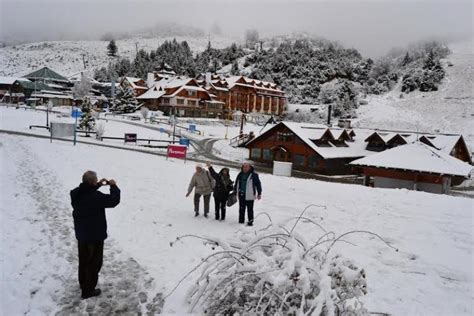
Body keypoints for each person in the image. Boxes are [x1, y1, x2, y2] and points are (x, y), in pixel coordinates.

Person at [70, 171, 121, 299]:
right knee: (94, 263)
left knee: (83, 260)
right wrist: (113, 186)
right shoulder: (96, 197)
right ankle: (88, 290)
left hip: (82, 234)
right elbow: (114, 201)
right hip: (94, 236)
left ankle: (83, 283)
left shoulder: (75, 193)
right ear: (92, 182)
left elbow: (85, 190)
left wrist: (97, 184)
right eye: (95, 180)